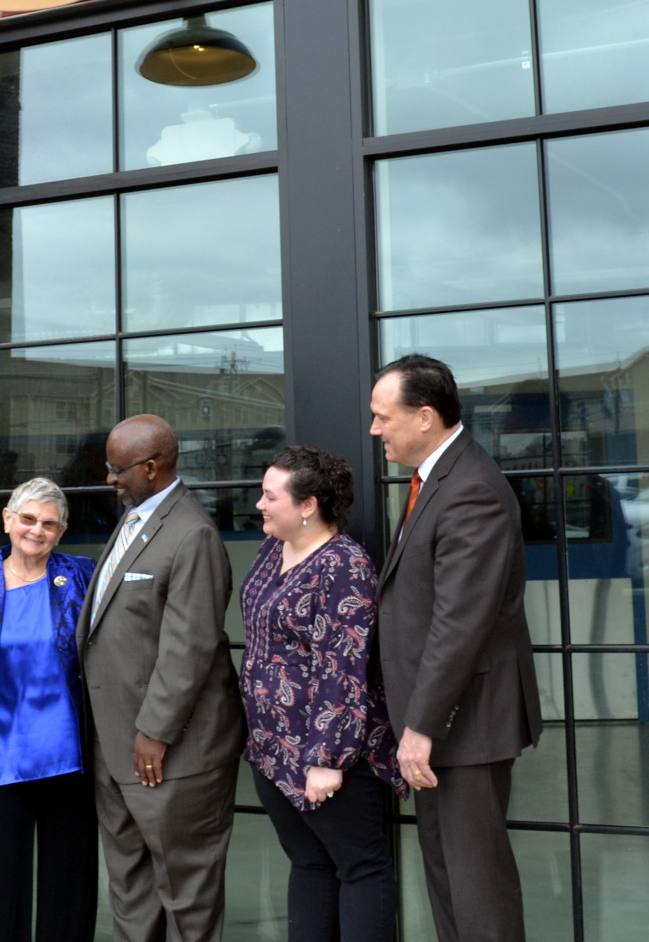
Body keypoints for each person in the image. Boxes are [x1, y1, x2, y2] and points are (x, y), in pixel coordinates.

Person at [371, 355, 540, 942]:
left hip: (463, 723)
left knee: (476, 887)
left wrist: (421, 726)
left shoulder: (472, 490)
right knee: (448, 877)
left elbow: (458, 624)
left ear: (424, 417)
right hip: (445, 722)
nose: (374, 429)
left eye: (382, 416)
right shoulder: (438, 479)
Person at [76, 414, 246, 942]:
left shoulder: (190, 532)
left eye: (116, 468)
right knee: (130, 890)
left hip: (169, 753)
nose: (109, 478)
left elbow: (189, 646)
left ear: (152, 467)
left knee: (186, 900)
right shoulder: (134, 518)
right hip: (116, 744)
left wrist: (156, 731)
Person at [240, 445, 400, 942]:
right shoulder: (273, 549)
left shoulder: (345, 566)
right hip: (271, 750)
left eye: (271, 496)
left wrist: (326, 760)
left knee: (361, 868)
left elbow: (345, 667)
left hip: (329, 758)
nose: (260, 505)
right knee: (308, 864)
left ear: (308, 504)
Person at [0, 478, 99, 942]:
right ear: (7, 519)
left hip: (69, 757)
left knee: (69, 884)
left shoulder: (82, 577)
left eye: (49, 524)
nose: (37, 530)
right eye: (27, 519)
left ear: (62, 531)